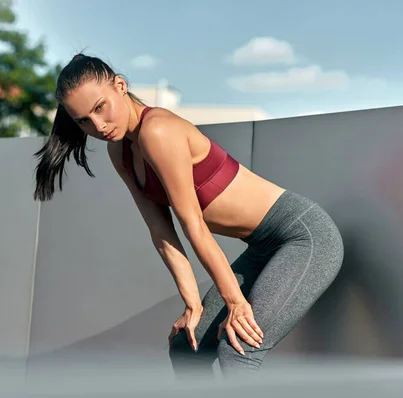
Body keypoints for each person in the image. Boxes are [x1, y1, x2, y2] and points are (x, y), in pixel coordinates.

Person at [32, 54, 344, 379]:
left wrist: (235, 303)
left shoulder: (159, 131)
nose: (98, 126)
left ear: (120, 86)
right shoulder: (121, 151)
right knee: (186, 348)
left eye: (100, 108)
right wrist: (192, 303)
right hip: (263, 249)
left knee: (239, 349)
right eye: (83, 121)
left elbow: (192, 223)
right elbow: (161, 232)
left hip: (304, 237)